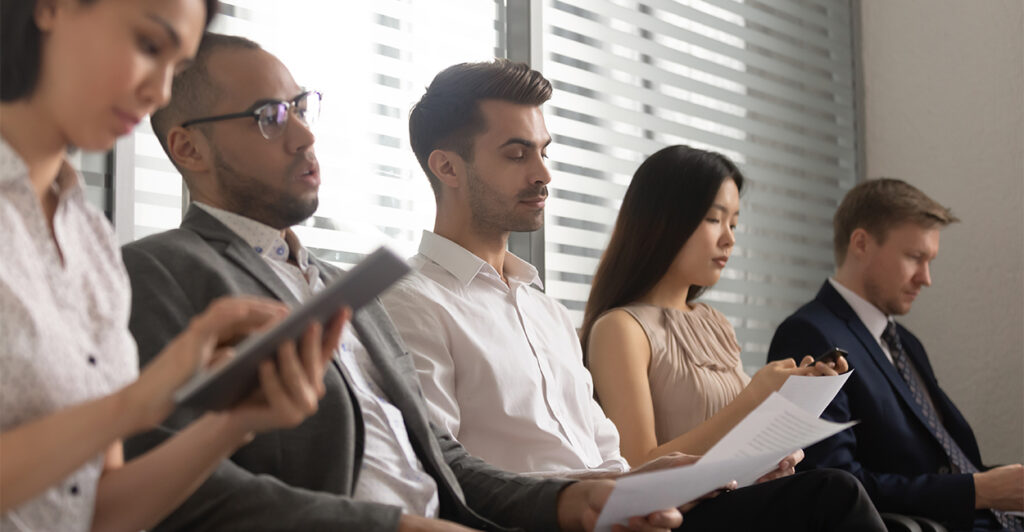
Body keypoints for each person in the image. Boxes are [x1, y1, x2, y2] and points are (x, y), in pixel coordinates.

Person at [123, 33, 682, 532]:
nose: (303, 136)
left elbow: (443, 459)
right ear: (188, 148)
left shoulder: (343, 287)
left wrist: (568, 502)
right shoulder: (161, 271)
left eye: (299, 107)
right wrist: (393, 525)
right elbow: (175, 484)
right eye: (269, 116)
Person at [382, 59, 887, 531]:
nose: (543, 174)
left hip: (627, 516)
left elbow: (612, 460)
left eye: (544, 151)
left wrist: (704, 476)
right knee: (832, 497)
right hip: (554, 521)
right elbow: (440, 475)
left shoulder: (547, 311)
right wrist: (591, 496)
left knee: (811, 494)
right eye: (517, 154)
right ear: (447, 169)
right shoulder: (410, 304)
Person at [0, 1, 342, 531]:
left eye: (176, 70)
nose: (159, 93)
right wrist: (135, 403)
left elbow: (96, 510)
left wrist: (232, 424)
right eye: (148, 46)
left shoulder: (90, 243)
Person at [767, 178, 1024, 531]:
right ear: (861, 243)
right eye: (915, 257)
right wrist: (974, 491)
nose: (926, 278)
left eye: (929, 261)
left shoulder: (906, 342)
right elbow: (836, 484)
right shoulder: (810, 334)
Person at [580, 145, 847, 468]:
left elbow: (734, 442)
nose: (729, 239)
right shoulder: (621, 328)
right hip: (684, 515)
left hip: (735, 501)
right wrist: (755, 397)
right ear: (662, 221)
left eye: (733, 224)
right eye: (714, 219)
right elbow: (637, 465)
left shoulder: (715, 322)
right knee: (836, 489)